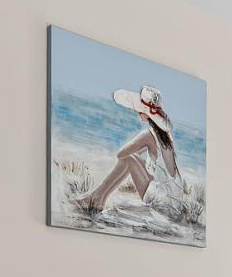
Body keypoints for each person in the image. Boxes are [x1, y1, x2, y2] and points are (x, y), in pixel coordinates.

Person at [76, 84, 189, 217]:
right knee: (131, 159)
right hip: (174, 200)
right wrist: (138, 154)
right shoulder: (166, 136)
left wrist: (136, 152)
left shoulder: (148, 135)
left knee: (127, 159)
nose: (138, 112)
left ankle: (96, 199)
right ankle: (98, 199)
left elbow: (120, 154)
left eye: (140, 110)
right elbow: (161, 173)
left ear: (147, 114)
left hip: (163, 203)